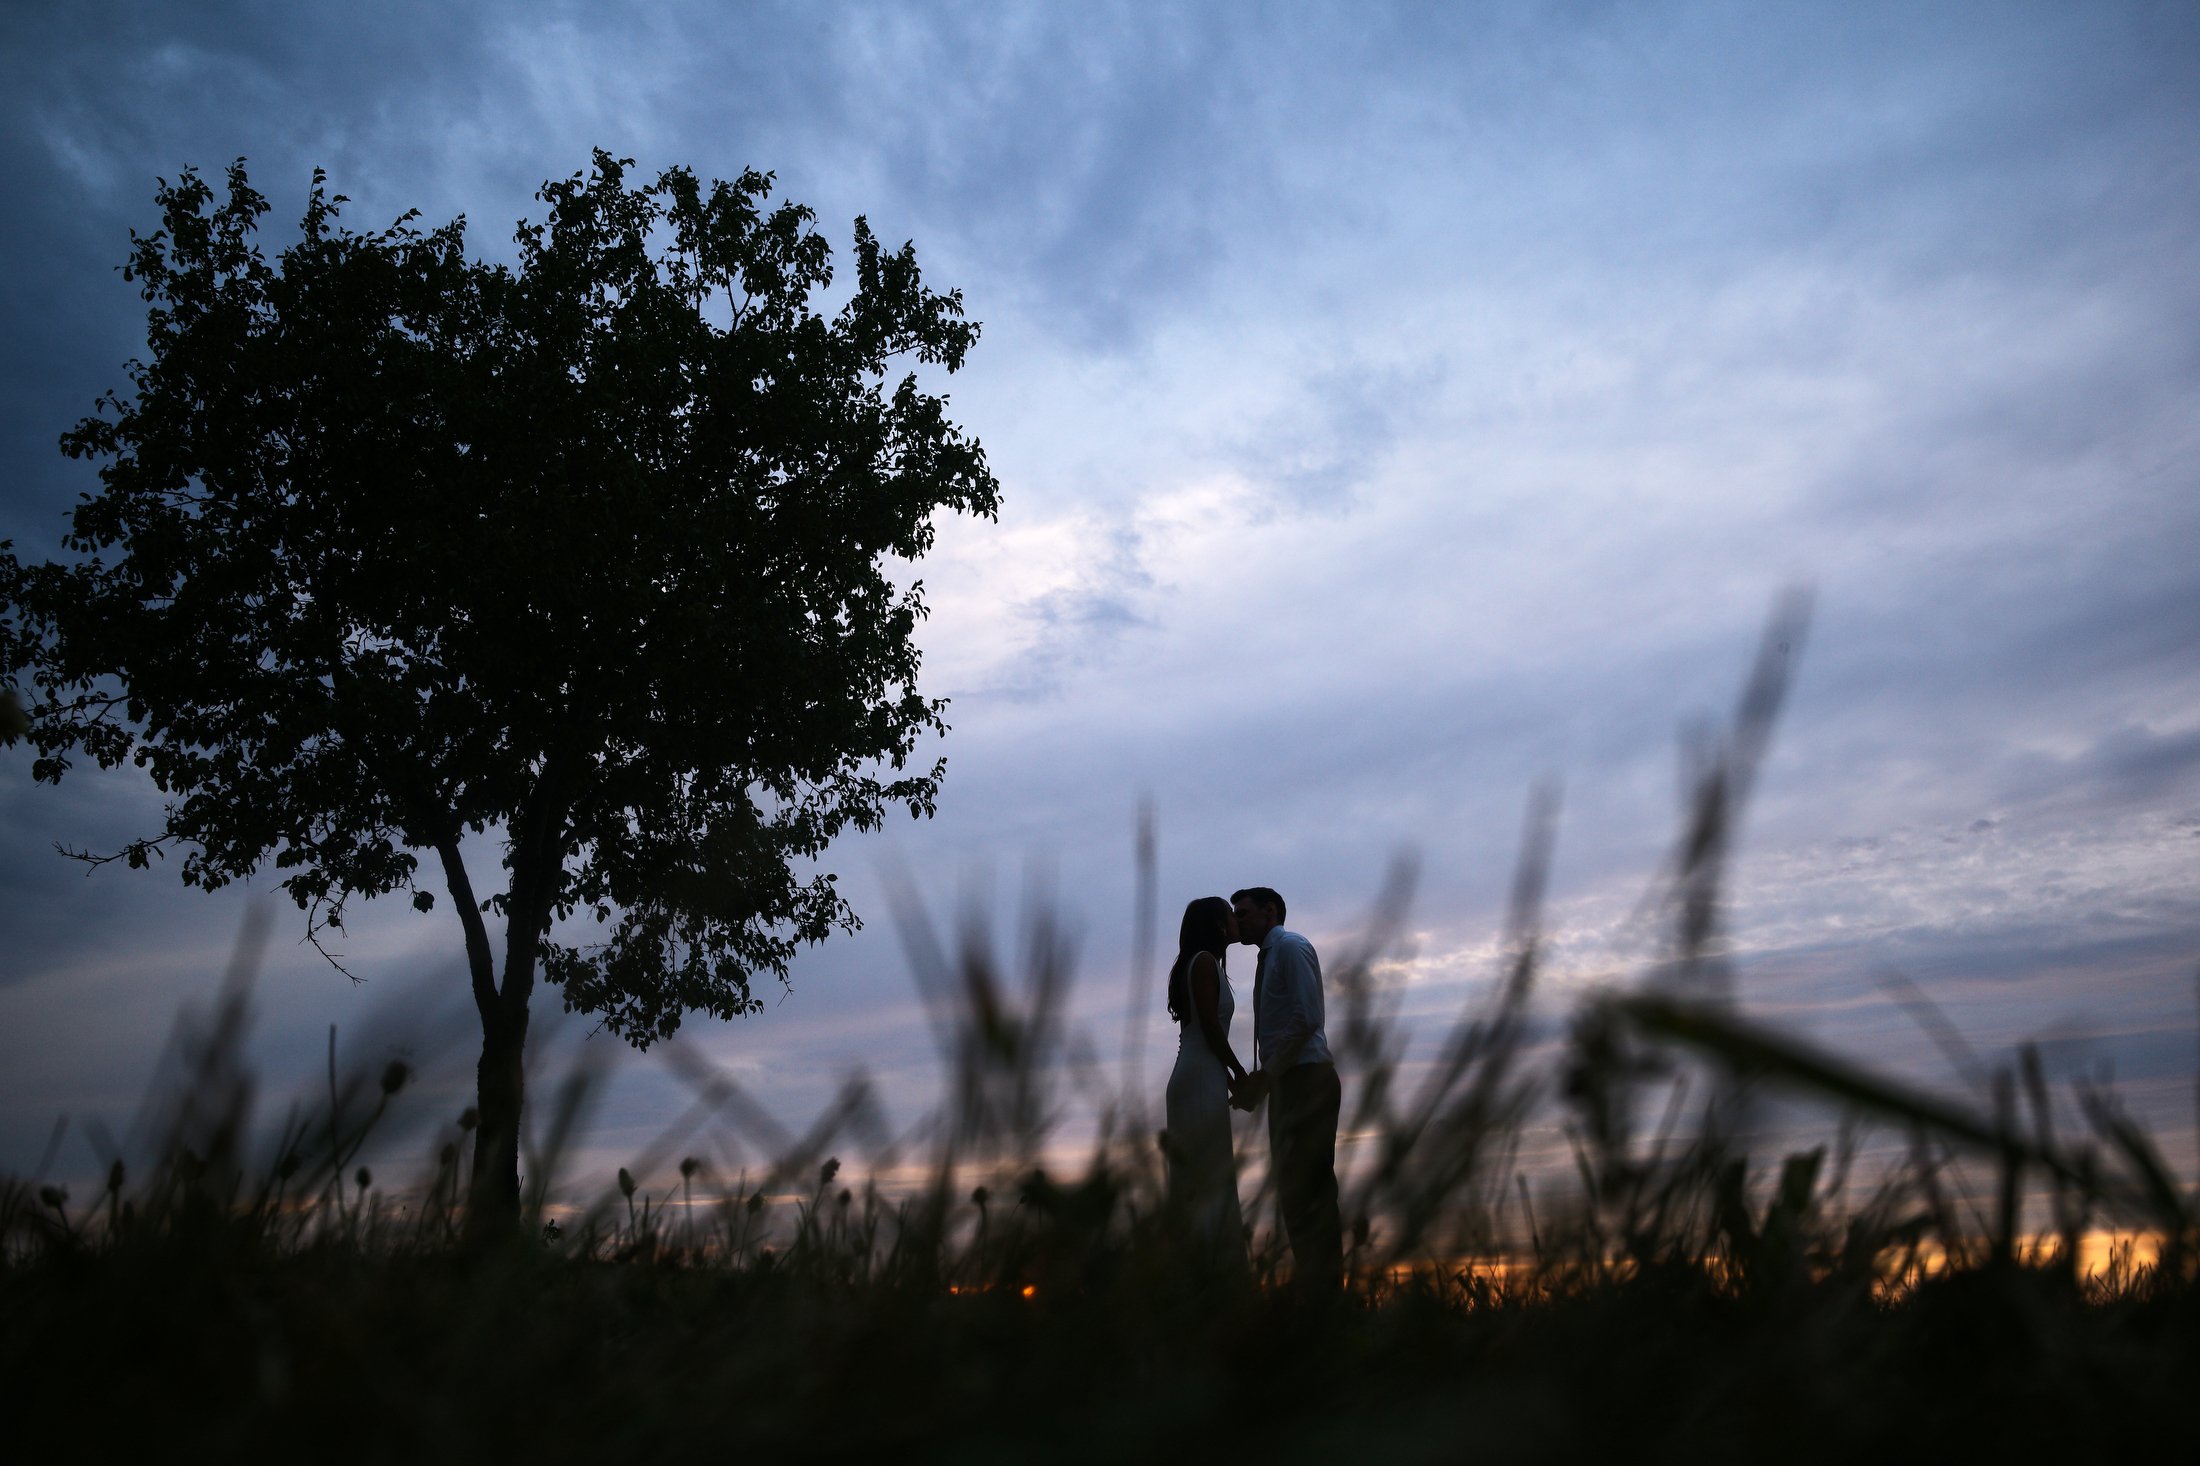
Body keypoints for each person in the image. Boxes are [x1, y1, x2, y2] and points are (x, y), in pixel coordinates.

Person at [1228, 886, 1342, 1296]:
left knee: (1309, 1186)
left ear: (1269, 911)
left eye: (1242, 913)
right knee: (1295, 1188)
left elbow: (1306, 1017)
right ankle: (1319, 1288)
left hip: (1306, 1078)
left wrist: (1267, 1076)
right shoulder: (1271, 955)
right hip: (1291, 1080)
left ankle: (1327, 1292)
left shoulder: (1291, 948)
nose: (1236, 920)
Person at [1163, 895, 1250, 1272]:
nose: (1236, 921)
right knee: (1207, 1176)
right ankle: (1209, 1273)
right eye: (1231, 916)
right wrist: (1240, 1074)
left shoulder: (1207, 963)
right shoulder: (1203, 963)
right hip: (1199, 1076)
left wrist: (1230, 1081)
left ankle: (1205, 1272)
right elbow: (1210, 1027)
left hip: (1204, 1075)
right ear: (1217, 925)